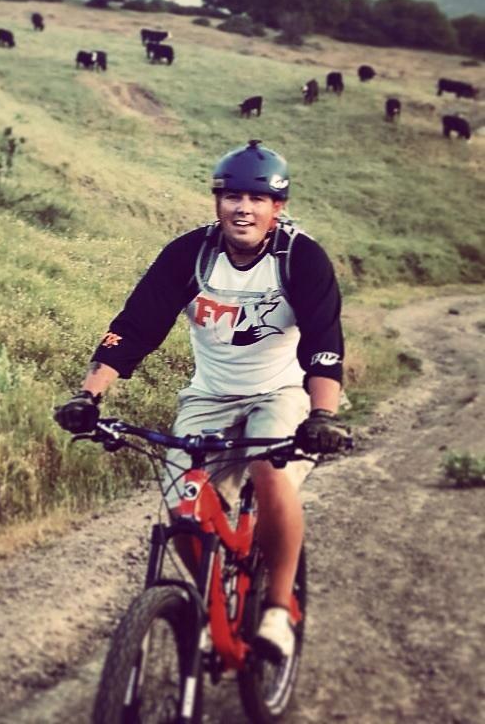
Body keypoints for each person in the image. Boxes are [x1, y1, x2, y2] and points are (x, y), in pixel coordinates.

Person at [54, 139, 350, 662]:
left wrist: (321, 414)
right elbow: (134, 328)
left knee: (269, 471)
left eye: (258, 199)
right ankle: (216, 604)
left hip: (280, 391)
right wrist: (88, 396)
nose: (243, 208)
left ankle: (278, 608)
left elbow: (324, 345)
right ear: (217, 202)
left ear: (277, 208)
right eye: (232, 196)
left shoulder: (301, 258)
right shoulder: (190, 254)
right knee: (182, 509)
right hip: (208, 396)